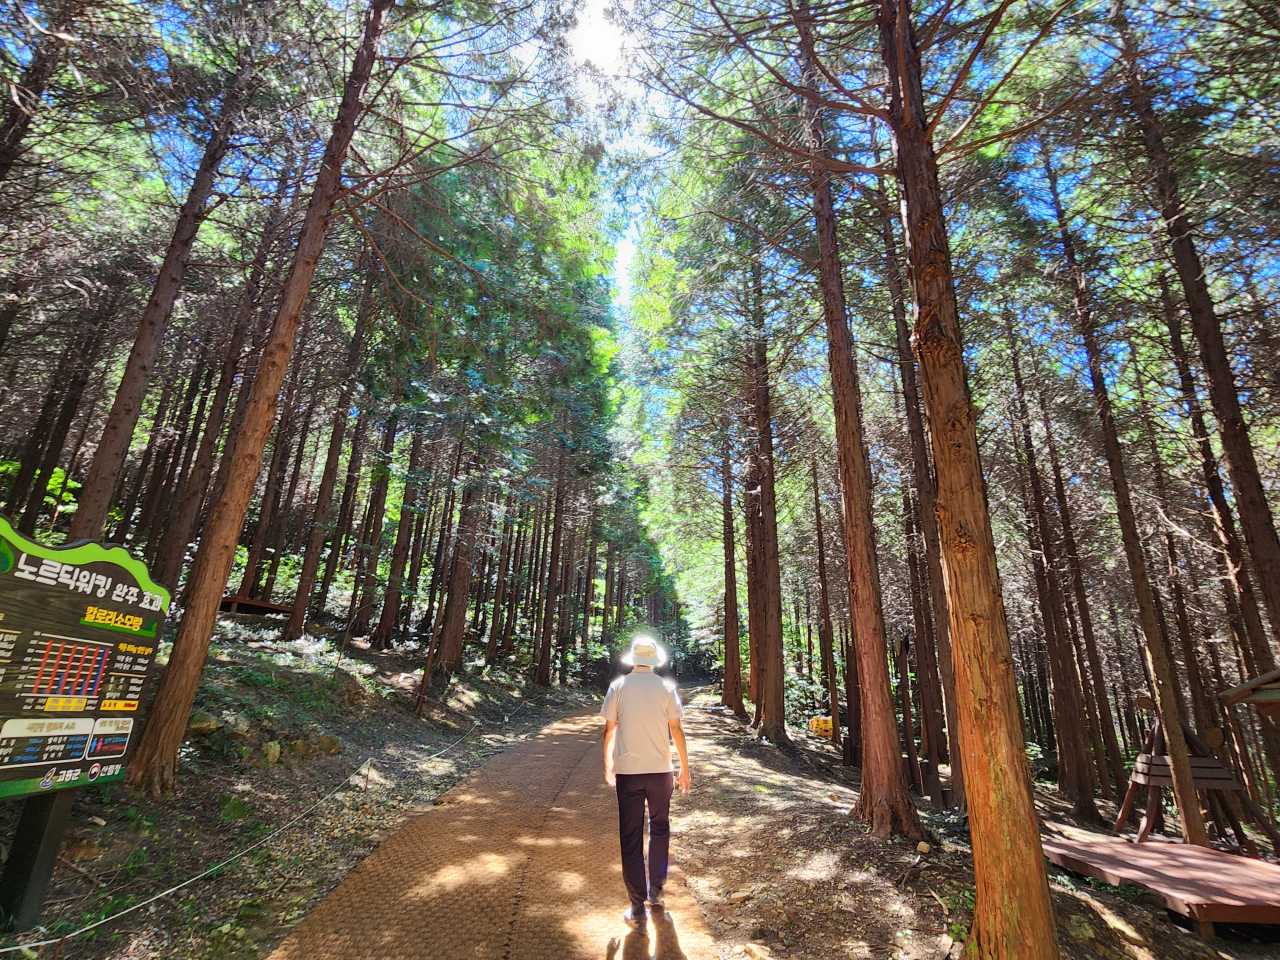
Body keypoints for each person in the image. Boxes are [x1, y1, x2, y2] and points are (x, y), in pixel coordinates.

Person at [601, 635, 691, 931]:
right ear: (654, 660)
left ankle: (637, 904)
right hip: (660, 772)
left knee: (630, 835)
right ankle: (656, 891)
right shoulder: (665, 688)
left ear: (633, 658)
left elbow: (609, 731)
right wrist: (684, 769)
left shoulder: (619, 687)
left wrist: (608, 764)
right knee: (660, 829)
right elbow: (676, 730)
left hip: (629, 773)